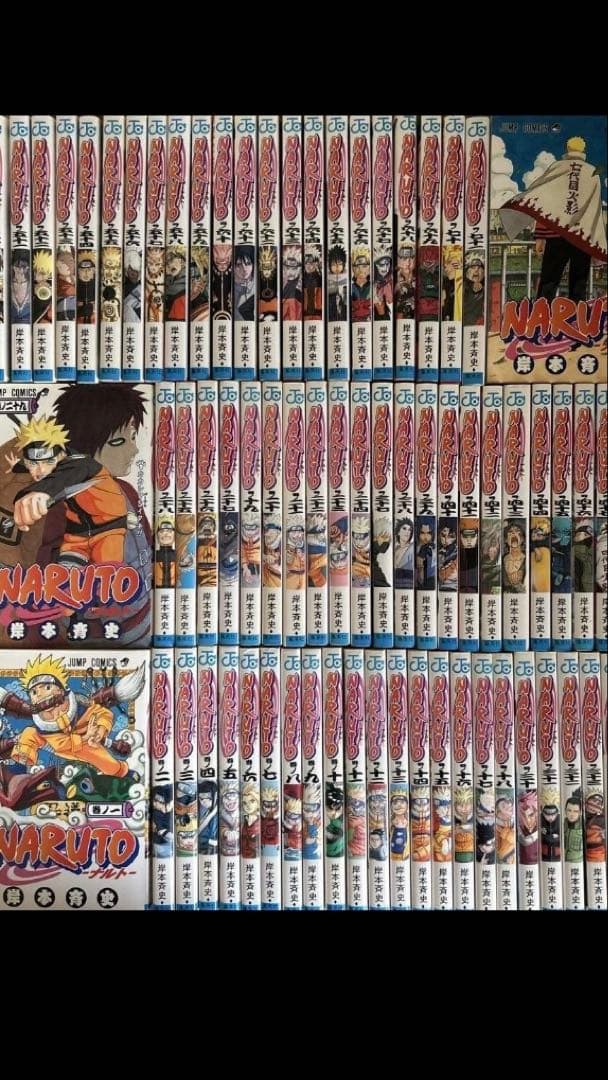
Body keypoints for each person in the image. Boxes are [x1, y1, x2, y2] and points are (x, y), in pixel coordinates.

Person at [500, 136, 607, 303]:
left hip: (556, 235)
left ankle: (541, 315)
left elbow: (543, 203)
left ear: (567, 149)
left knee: (549, 281)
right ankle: (576, 317)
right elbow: (594, 210)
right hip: (582, 237)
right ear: (583, 150)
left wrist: (540, 236)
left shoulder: (557, 167)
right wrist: (595, 240)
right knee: (579, 284)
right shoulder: (592, 172)